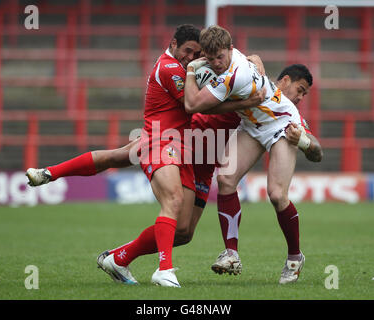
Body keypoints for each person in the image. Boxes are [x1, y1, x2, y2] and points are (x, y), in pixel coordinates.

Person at [26, 24, 265, 288]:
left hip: (196, 150)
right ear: (173, 44)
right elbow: (196, 104)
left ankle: (118, 258)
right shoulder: (172, 69)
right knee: (168, 196)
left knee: (183, 231)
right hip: (165, 139)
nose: (191, 58)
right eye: (188, 51)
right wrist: (246, 100)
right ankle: (164, 270)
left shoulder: (225, 67)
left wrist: (256, 63)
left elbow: (247, 74)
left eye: (197, 54)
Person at [184, 25, 322, 284]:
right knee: (225, 180)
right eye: (210, 58)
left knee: (276, 194)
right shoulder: (234, 59)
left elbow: (193, 105)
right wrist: (251, 59)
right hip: (252, 125)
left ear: (231, 50)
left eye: (219, 58)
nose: (215, 63)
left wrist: (303, 142)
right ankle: (231, 254)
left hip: (280, 125)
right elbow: (241, 64)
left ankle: (295, 257)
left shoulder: (233, 76)